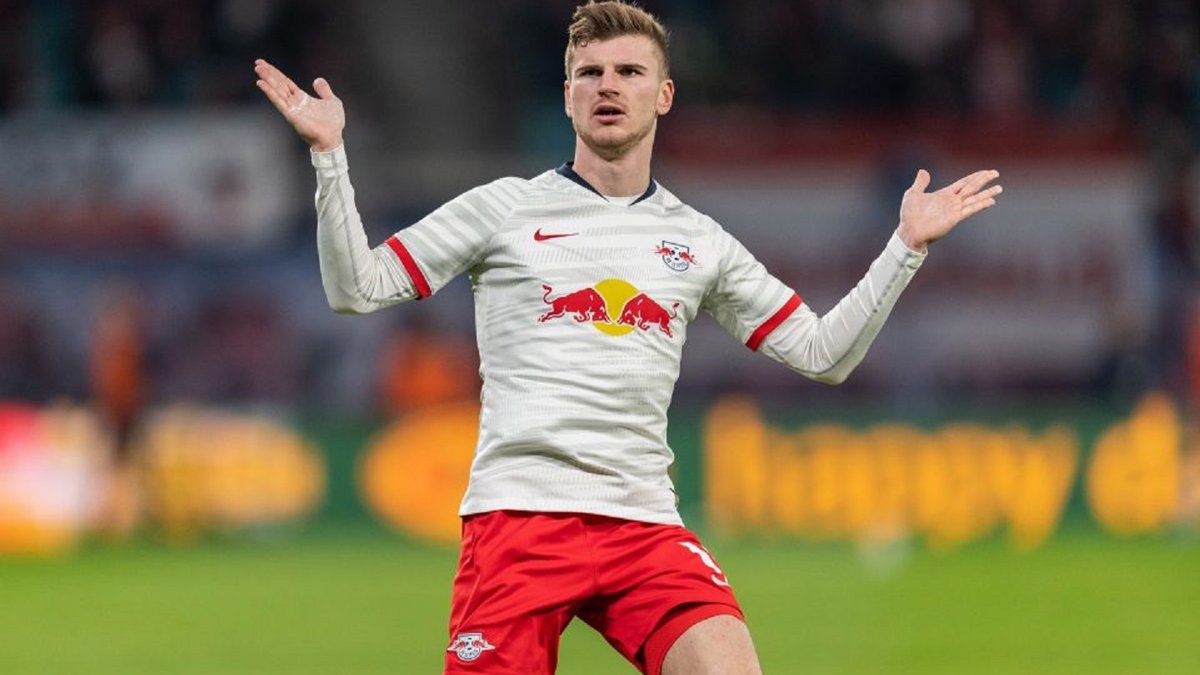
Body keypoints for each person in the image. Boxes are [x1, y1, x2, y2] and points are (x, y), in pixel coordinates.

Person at [254, 2, 1002, 673]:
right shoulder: (504, 209)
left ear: (664, 94)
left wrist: (904, 247)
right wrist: (330, 157)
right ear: (567, 93)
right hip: (520, 519)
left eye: (629, 72)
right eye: (590, 72)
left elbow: (822, 353)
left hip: (643, 523)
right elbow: (357, 288)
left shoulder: (698, 239)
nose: (608, 86)